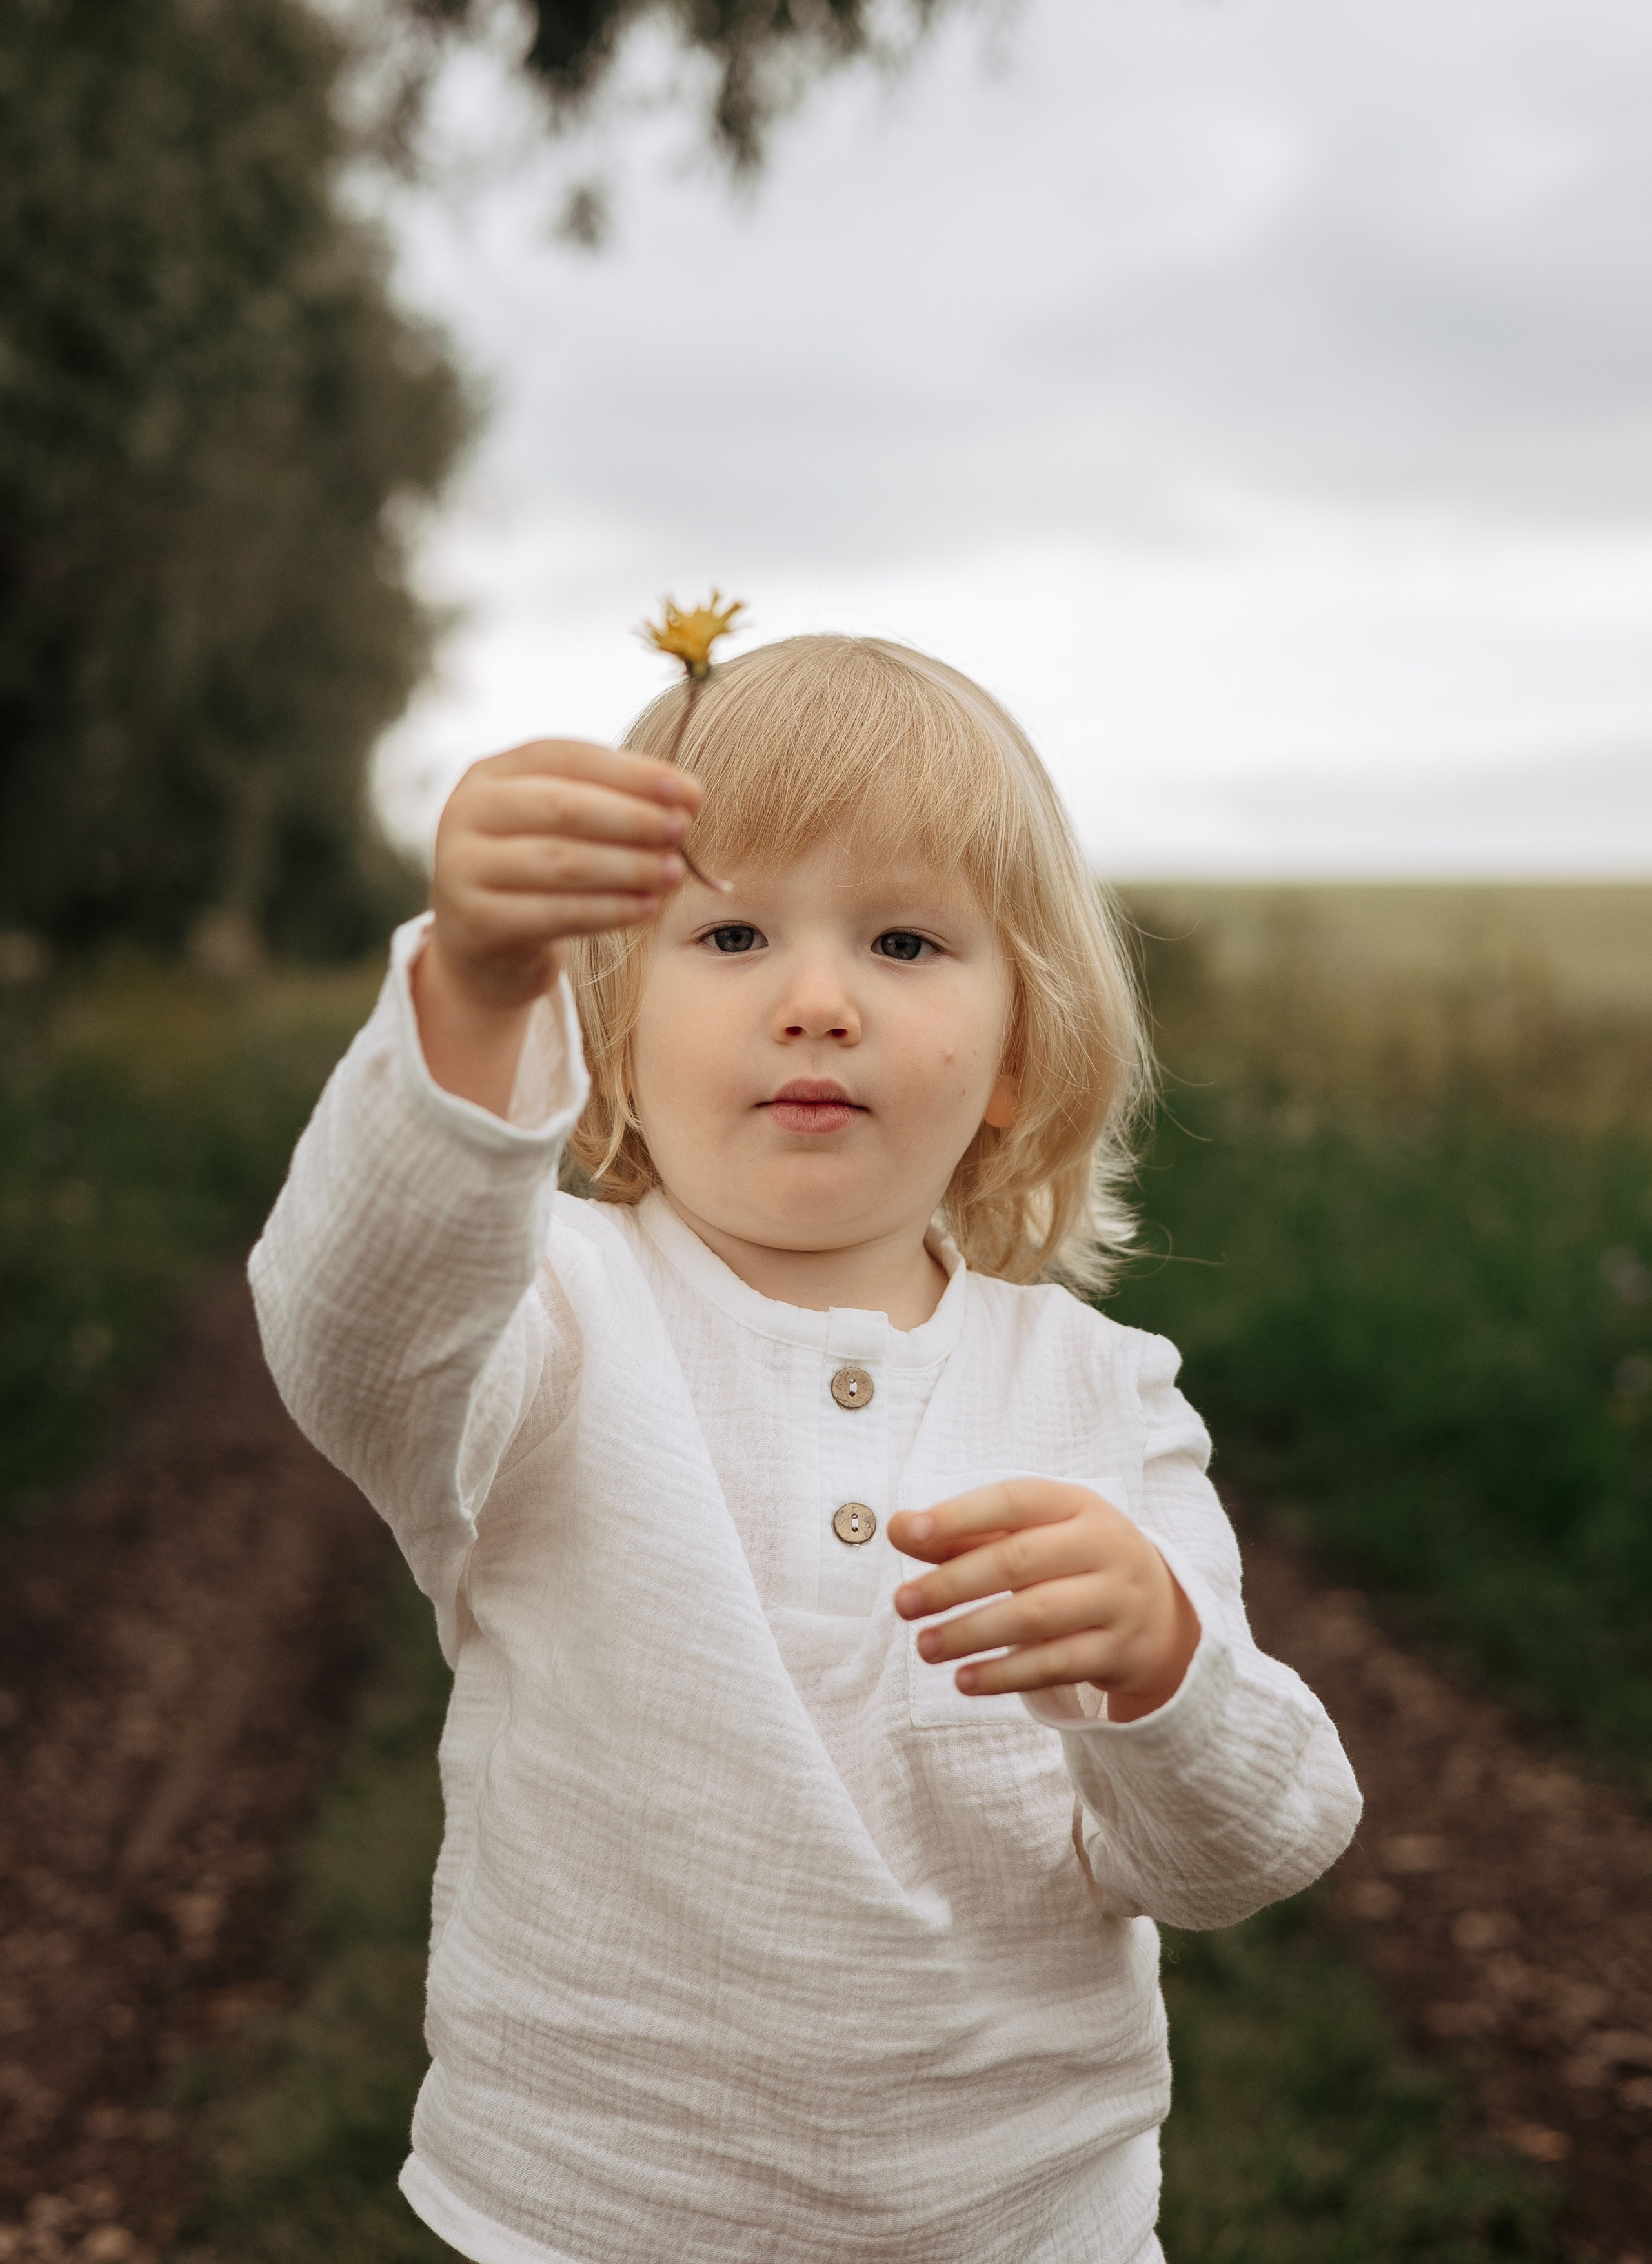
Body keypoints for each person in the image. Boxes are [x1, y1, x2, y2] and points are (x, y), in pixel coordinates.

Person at [251, 633, 1361, 2264]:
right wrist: (477, 990)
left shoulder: (1098, 1392)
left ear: (1016, 1057)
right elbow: (351, 1334)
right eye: (732, 931)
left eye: (905, 938)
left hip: (1021, 2218)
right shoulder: (554, 1315)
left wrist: (1164, 1665)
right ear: (609, 1021)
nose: (818, 999)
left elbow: (1238, 1851)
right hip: (596, 2206)